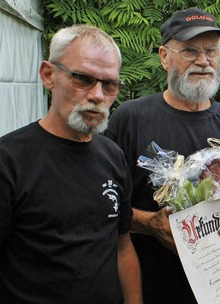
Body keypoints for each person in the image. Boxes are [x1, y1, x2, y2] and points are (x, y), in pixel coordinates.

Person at [104, 7, 220, 304]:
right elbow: (103, 204)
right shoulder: (131, 118)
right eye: (190, 51)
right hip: (147, 288)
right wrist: (150, 223)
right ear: (164, 56)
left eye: (211, 51)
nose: (203, 61)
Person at [0, 24, 141, 303]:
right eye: (83, 79)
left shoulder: (113, 156)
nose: (98, 96)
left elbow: (122, 245)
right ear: (48, 75)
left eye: (109, 84)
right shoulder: (9, 161)